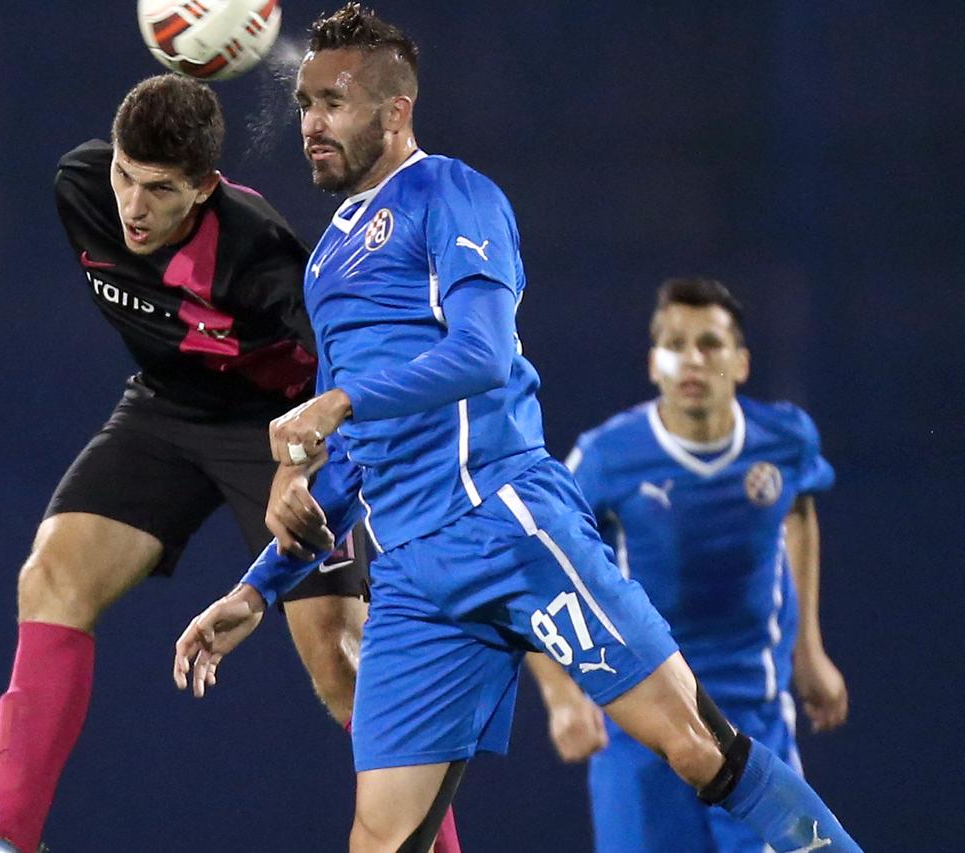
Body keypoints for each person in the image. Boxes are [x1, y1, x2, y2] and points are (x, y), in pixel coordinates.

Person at [172, 6, 862, 852]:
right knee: (380, 839)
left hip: (510, 522)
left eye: (335, 102)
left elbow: (483, 353)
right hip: (415, 582)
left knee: (695, 747)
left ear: (394, 111)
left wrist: (339, 403)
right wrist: (255, 590)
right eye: (306, 102)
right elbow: (352, 455)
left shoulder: (452, 193)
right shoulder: (325, 263)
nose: (311, 122)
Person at [0, 74, 376, 853]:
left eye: (158, 189)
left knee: (341, 661)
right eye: (126, 176)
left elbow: (352, 364)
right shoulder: (80, 188)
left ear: (203, 187)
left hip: (277, 424)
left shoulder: (259, 251)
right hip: (166, 408)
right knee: (52, 573)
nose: (131, 205)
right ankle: (7, 840)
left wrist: (303, 462)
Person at [526, 277, 849, 852]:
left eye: (710, 344)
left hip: (754, 722)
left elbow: (798, 514)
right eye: (674, 345)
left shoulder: (784, 440)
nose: (692, 360)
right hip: (642, 726)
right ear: (653, 364)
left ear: (741, 363)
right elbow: (537, 565)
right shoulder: (607, 457)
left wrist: (810, 651)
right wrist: (562, 696)